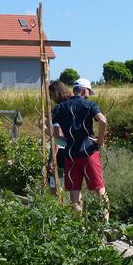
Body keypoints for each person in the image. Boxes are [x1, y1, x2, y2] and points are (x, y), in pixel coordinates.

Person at [53, 78, 109, 223]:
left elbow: (42, 124)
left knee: (74, 192)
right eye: (89, 91)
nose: (89, 94)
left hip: (70, 154)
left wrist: (59, 138)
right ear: (85, 90)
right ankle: (105, 224)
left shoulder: (60, 107)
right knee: (100, 189)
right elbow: (103, 120)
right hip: (88, 152)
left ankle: (80, 226)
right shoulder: (90, 105)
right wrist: (100, 140)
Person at [47, 80, 73, 195]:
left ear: (56, 93)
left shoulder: (59, 110)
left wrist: (51, 160)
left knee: (53, 178)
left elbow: (57, 138)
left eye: (51, 95)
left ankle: (55, 201)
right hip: (71, 150)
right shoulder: (71, 107)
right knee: (72, 183)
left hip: (59, 152)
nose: (51, 98)